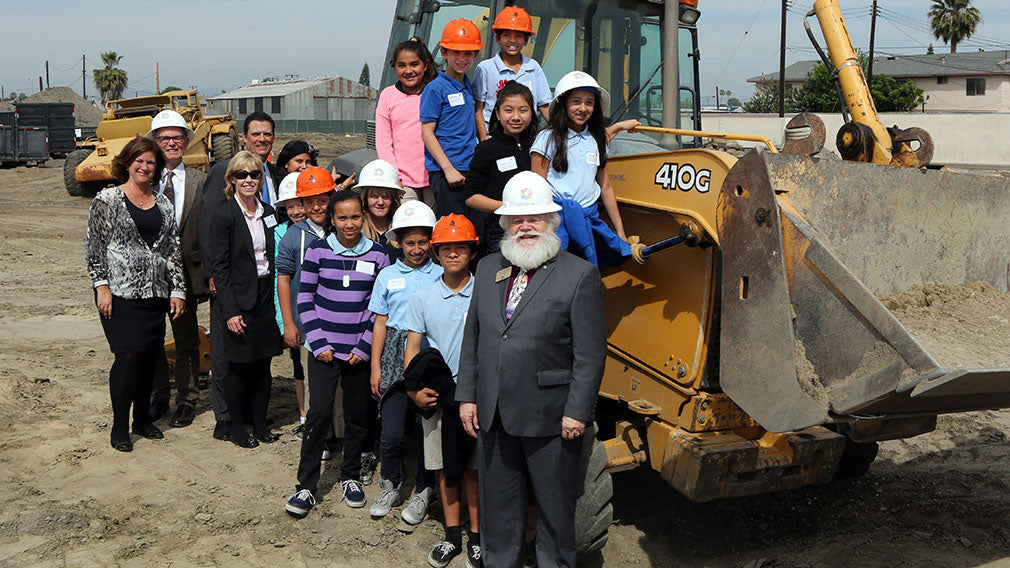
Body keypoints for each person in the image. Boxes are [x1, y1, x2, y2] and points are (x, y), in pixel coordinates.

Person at [456, 171, 606, 567]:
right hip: (494, 413)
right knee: (499, 510)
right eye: (517, 220)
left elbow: (590, 354)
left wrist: (578, 410)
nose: (526, 227)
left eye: (534, 218)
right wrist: (468, 396)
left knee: (556, 512)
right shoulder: (488, 269)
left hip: (551, 417)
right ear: (505, 224)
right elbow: (474, 336)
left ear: (551, 222)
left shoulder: (579, 275)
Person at [285, 189, 390, 517]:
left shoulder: (378, 255)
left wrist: (363, 345)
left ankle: (350, 476)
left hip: (358, 351)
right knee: (319, 413)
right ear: (332, 219)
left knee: (359, 415)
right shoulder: (317, 252)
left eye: (355, 217)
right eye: (342, 218)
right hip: (324, 351)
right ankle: (306, 485)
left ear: (364, 217)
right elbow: (305, 298)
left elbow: (378, 308)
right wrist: (318, 342)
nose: (349, 224)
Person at [86, 136, 186, 452]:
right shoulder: (108, 200)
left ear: (157, 168)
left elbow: (173, 250)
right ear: (128, 163)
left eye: (151, 162)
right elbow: (95, 247)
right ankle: (120, 426)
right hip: (118, 293)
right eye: (139, 161)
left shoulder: (164, 203)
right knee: (128, 357)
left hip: (155, 293)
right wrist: (101, 286)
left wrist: (178, 290)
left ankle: (142, 420)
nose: (144, 167)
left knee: (147, 359)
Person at [404, 214, 481, 568]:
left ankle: (477, 537)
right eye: (446, 248)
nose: (453, 254)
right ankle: (452, 535)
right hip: (437, 397)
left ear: (472, 251)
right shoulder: (422, 297)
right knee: (443, 466)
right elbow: (413, 349)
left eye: (459, 247)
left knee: (473, 467)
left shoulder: (485, 293)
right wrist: (413, 391)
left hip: (475, 397)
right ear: (436, 253)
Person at [200, 111, 278, 441]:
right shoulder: (224, 215)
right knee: (236, 367)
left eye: (254, 175)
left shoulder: (269, 214)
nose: (248, 179)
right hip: (236, 298)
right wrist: (230, 310)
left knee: (262, 366)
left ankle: (260, 424)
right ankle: (234, 426)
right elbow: (218, 266)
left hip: (263, 296)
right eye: (241, 175)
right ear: (231, 179)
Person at [366, 201, 443, 521]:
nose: (416, 248)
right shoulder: (387, 276)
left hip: (427, 352)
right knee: (392, 430)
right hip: (395, 353)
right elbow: (380, 323)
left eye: (423, 242)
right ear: (398, 242)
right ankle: (391, 483)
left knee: (426, 428)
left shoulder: (440, 274)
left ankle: (425, 489)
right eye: (409, 242)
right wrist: (376, 365)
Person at [530, 71, 634, 268]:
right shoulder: (547, 138)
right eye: (576, 101)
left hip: (588, 219)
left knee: (587, 271)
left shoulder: (596, 140)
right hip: (556, 223)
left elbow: (606, 188)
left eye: (589, 102)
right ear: (563, 104)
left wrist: (620, 232)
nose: (583, 108)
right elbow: (537, 186)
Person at [146, 110, 207, 429]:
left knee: (186, 341)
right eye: (164, 138)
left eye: (177, 137)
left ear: (186, 141)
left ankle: (187, 399)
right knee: (152, 337)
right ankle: (159, 395)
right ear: (155, 142)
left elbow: (208, 229)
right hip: (150, 275)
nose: (171, 143)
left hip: (187, 273)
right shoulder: (143, 179)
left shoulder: (201, 180)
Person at [275, 166, 345, 443]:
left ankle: (341, 434)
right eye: (310, 201)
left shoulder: (342, 229)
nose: (317, 206)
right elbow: (283, 280)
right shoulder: (294, 236)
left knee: (342, 387)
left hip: (342, 321)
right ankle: (322, 437)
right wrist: (289, 323)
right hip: (309, 326)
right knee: (317, 386)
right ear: (301, 203)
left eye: (323, 199)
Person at [464, 81, 538, 258]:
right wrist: (508, 208)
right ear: (497, 113)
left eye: (523, 110)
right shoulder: (487, 149)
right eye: (508, 110)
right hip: (501, 230)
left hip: (537, 229)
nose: (516, 117)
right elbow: (471, 196)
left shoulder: (541, 145)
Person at [420, 18, 482, 218]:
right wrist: (448, 169)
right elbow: (427, 133)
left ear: (476, 55)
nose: (462, 58)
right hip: (448, 172)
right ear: (444, 53)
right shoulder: (435, 88)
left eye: (468, 53)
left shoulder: (467, 85)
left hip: (469, 168)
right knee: (453, 228)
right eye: (456, 52)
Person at [472, 7, 551, 141]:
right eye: (506, 35)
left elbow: (544, 105)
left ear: (526, 40)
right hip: (495, 137)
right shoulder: (485, 68)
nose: (512, 40)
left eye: (519, 36)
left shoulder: (533, 67)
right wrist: (484, 137)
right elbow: (478, 108)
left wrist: (561, 131)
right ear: (498, 38)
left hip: (526, 139)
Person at [376, 37, 438, 208]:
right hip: (404, 181)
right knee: (409, 227)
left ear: (425, 65)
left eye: (414, 64)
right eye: (402, 65)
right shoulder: (388, 96)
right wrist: (394, 176)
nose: (408, 70)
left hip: (435, 176)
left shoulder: (436, 92)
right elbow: (383, 141)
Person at [273, 172, 309, 428]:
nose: (296, 210)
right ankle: (304, 413)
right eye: (290, 205)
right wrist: (284, 321)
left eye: (300, 203)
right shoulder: (279, 234)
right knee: (299, 365)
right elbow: (280, 279)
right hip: (294, 311)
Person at [357, 158, 403, 254]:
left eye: (385, 197)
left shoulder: (402, 230)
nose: (380, 202)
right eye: (374, 196)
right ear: (365, 199)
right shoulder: (355, 230)